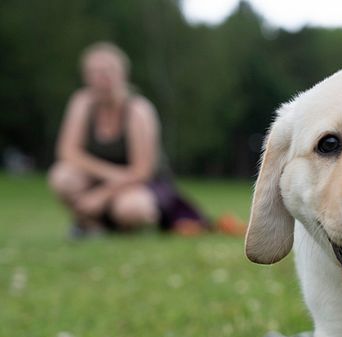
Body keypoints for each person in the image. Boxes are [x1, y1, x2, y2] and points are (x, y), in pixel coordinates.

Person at [48, 42, 219, 237]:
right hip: (104, 177)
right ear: (85, 76)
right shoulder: (82, 103)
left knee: (131, 209)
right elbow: (67, 152)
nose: (101, 78)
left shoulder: (138, 110)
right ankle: (90, 225)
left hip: (141, 184)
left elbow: (142, 171)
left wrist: (101, 195)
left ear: (123, 74)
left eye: (107, 70)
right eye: (94, 72)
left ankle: (128, 228)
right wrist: (110, 174)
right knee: (62, 176)